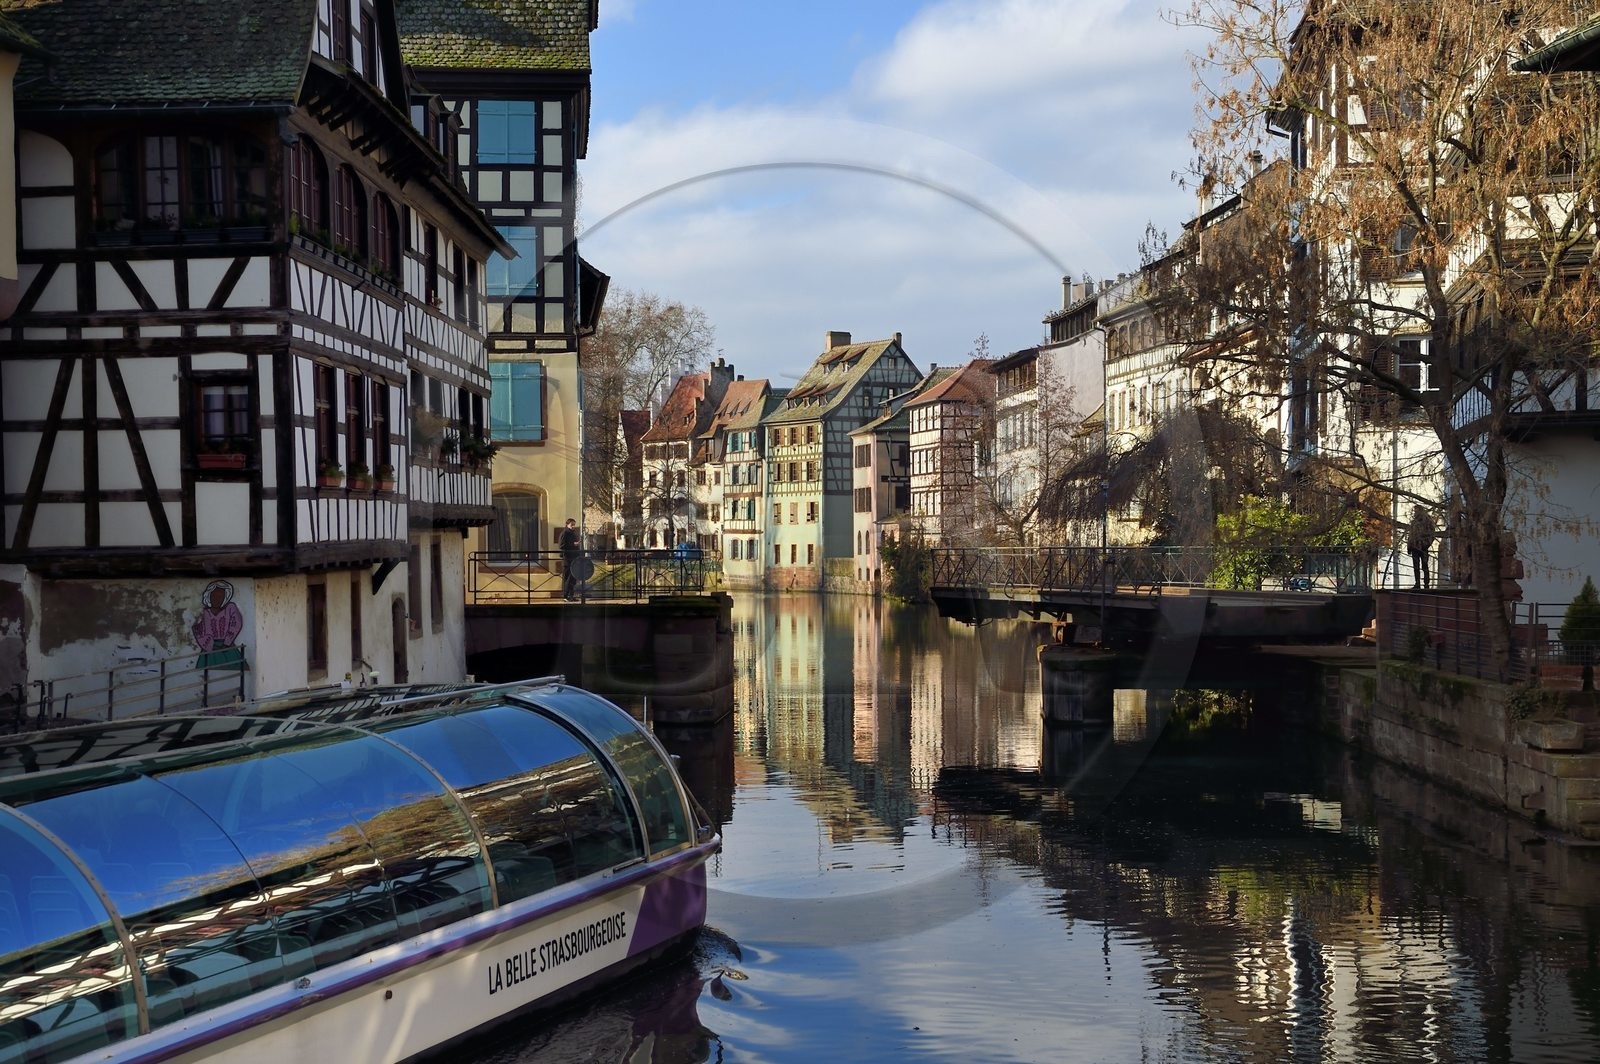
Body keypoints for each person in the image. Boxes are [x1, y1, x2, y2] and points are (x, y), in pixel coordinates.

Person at [1406, 505, 1436, 589]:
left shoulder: (1427, 520)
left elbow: (1432, 533)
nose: (1415, 512)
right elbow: (1411, 534)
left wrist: (1426, 544)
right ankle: (1417, 583)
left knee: (1424, 565)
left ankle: (1426, 583)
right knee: (1416, 566)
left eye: (1416, 510)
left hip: (1423, 547)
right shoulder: (1414, 522)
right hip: (1414, 546)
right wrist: (1409, 546)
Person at [559, 517, 582, 600]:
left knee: (572, 578)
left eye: (574, 525)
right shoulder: (565, 533)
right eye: (572, 525)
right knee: (567, 578)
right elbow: (561, 546)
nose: (573, 526)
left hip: (573, 559)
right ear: (567, 525)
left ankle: (571, 595)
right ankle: (566, 596)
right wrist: (574, 544)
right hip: (567, 559)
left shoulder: (572, 533)